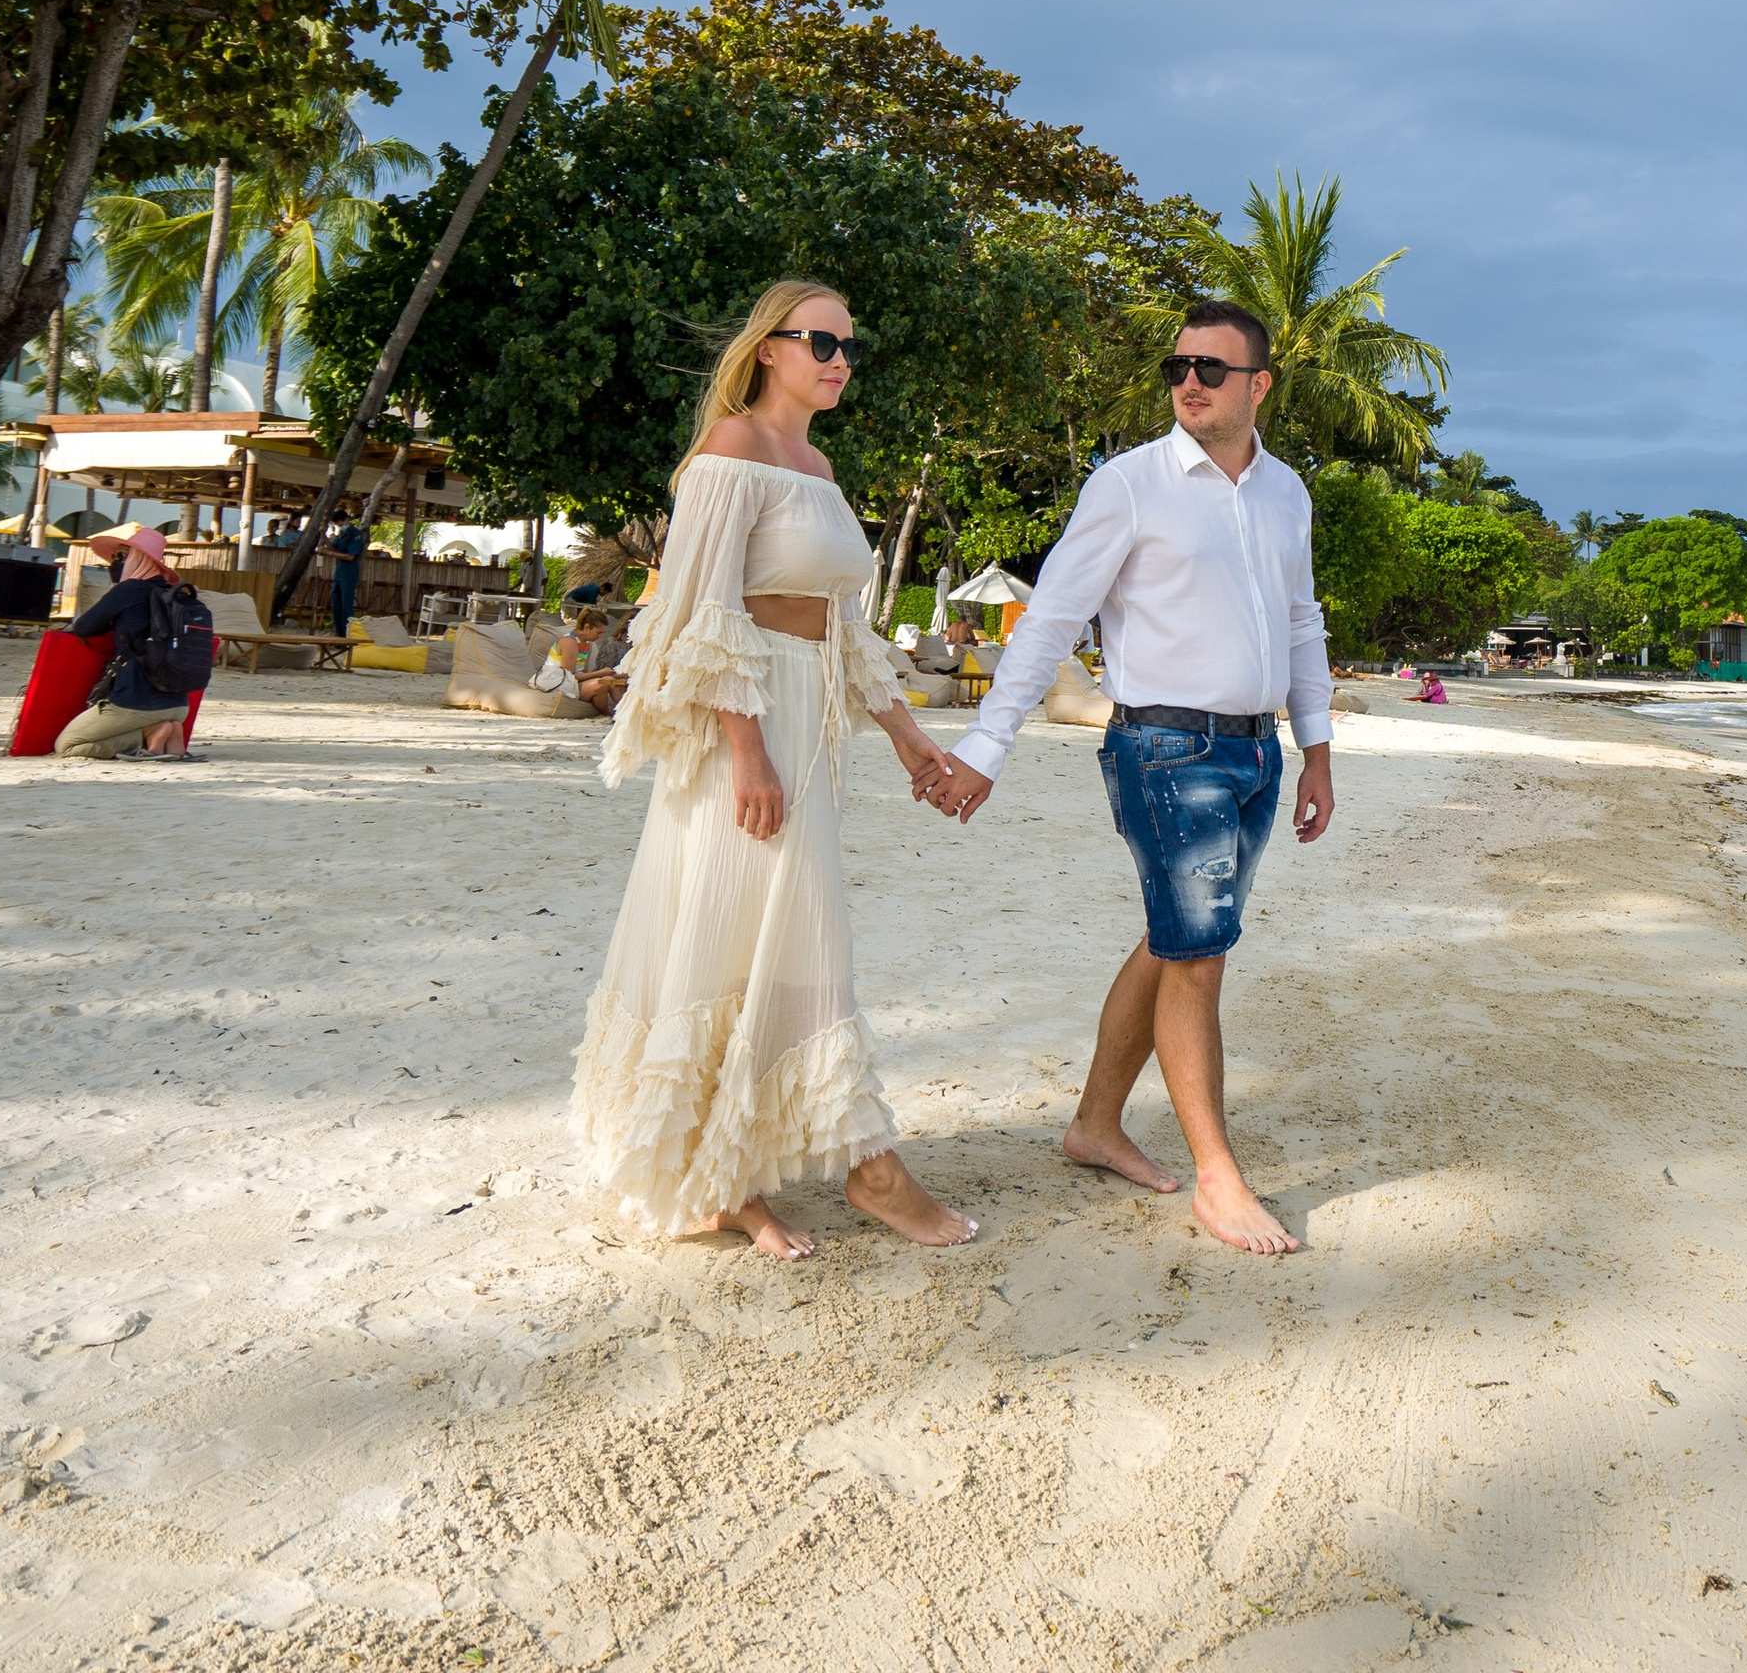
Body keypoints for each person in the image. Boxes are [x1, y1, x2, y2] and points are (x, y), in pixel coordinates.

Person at [572, 279, 978, 1262]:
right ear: (769, 349)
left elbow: (842, 628)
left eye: (849, 344)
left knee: (780, 933)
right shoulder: (729, 455)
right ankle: (843, 1171)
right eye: (820, 341)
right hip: (739, 730)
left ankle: (742, 1170)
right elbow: (708, 614)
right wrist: (747, 753)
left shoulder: (818, 464)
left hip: (802, 715)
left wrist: (907, 735)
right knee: (734, 925)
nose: (840, 358)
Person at [927, 298, 1334, 1255]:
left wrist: (1316, 751)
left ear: (1259, 386)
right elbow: (1053, 622)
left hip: (1257, 753)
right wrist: (987, 748)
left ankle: (1094, 1126)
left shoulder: (1287, 494)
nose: (1188, 381)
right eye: (1178, 367)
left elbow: (1303, 619)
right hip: (1162, 749)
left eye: (1211, 369)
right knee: (1199, 958)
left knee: (1172, 941)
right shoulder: (1129, 484)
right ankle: (1219, 1180)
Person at [57, 529, 202, 759]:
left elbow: (84, 627)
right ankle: (170, 733)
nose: (116, 563)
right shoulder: (175, 595)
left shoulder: (128, 590)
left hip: (137, 701)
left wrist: (115, 592)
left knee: (67, 745)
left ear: (136, 558)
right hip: (179, 704)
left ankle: (149, 733)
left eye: (121, 556)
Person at [325, 504, 367, 636]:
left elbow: (350, 556)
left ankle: (348, 635)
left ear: (346, 520)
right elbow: (333, 548)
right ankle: (339, 634)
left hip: (349, 574)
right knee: (336, 605)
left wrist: (329, 554)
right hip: (339, 574)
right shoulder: (341, 535)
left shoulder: (355, 535)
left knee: (346, 606)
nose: (340, 526)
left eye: (341, 523)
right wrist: (323, 536)